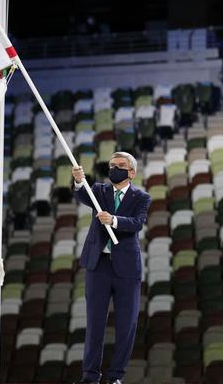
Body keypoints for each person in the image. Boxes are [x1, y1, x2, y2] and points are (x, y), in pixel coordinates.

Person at [72, 152, 151, 384]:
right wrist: (79, 180)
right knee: (95, 322)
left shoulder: (141, 197)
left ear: (132, 172)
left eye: (121, 166)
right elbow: (83, 194)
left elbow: (137, 223)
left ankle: (116, 377)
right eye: (112, 165)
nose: (115, 168)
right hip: (98, 266)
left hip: (127, 269)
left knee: (126, 325)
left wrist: (113, 220)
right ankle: (90, 376)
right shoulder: (100, 191)